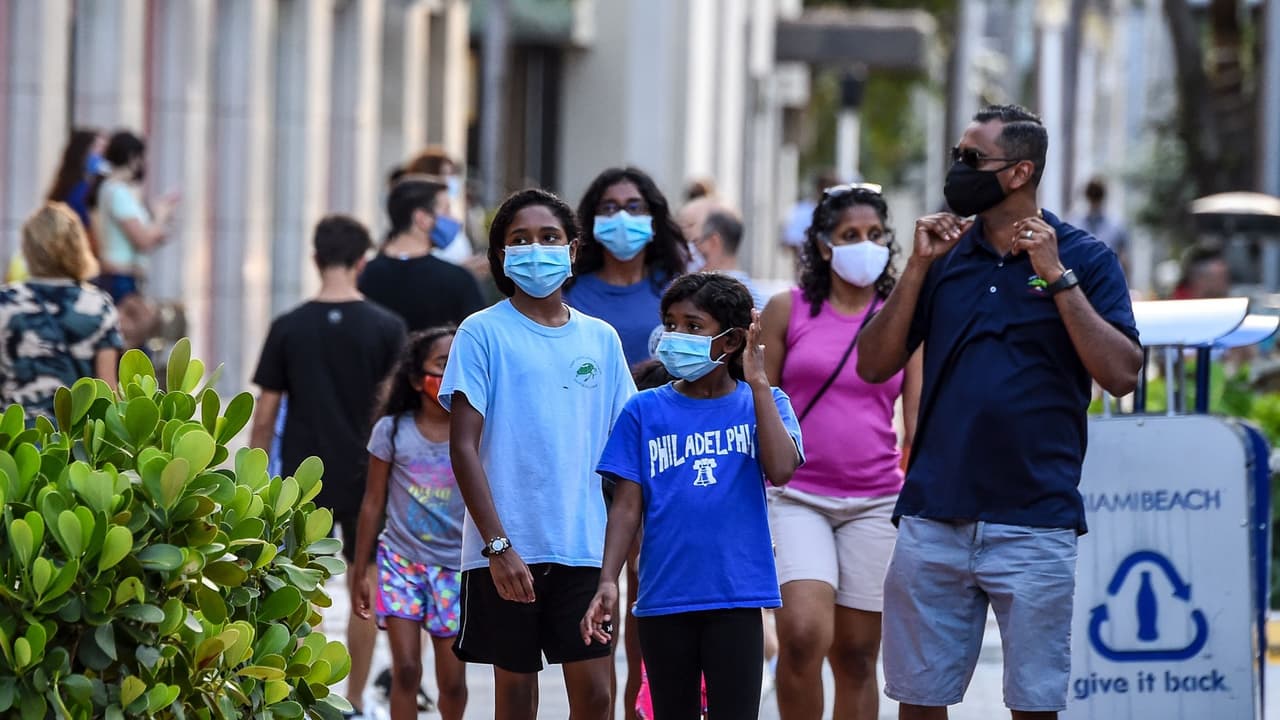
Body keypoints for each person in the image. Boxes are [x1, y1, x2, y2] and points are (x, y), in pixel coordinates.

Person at [856, 105, 1142, 720]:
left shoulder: (1086, 259)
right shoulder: (945, 258)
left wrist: (1057, 278)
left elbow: (1121, 375)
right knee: (919, 701)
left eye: (971, 159)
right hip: (935, 511)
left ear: (1019, 173)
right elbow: (874, 365)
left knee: (1033, 706)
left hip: (1036, 517)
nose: (957, 171)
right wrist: (918, 266)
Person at [440, 188, 635, 720]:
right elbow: (463, 446)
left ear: (572, 249)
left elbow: (627, 453)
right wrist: (498, 547)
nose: (535, 249)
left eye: (548, 237)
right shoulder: (481, 332)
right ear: (501, 256)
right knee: (517, 697)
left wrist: (619, 561)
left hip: (583, 548)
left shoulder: (601, 339)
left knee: (596, 696)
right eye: (519, 240)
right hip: (506, 550)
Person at [581, 272, 803, 720]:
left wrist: (758, 383)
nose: (676, 335)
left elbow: (780, 469)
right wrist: (607, 579)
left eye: (693, 325)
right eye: (671, 323)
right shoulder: (643, 410)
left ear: (731, 340)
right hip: (664, 598)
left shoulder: (767, 402)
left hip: (738, 597)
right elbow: (626, 506)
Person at [760, 183, 922, 720]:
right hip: (798, 495)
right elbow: (763, 399)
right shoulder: (789, 310)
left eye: (875, 234)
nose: (865, 244)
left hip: (877, 501)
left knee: (856, 655)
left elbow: (916, 421)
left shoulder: (903, 317)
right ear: (825, 246)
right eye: (851, 235)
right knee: (804, 635)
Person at [249, 215, 407, 719]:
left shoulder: (288, 325)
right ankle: (356, 699)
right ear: (363, 260)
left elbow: (265, 413)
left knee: (305, 583)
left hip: (303, 474)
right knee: (366, 581)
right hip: (370, 475)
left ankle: (314, 695)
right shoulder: (387, 327)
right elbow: (395, 409)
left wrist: (252, 477)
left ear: (315, 258)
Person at [352, 327, 468, 720]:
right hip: (400, 562)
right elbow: (372, 502)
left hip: (455, 566)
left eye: (458, 363)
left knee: (452, 681)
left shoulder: (474, 431)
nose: (451, 373)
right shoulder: (392, 431)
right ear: (418, 379)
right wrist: (360, 571)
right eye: (441, 364)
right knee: (406, 670)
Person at [0, 203, 122, 421]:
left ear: (29, 249)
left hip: (14, 440)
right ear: (77, 247)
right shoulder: (98, 305)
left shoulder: (6, 303)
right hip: (74, 444)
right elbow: (107, 393)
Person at [566, 167, 688, 366]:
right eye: (609, 208)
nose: (622, 217)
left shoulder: (677, 290)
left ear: (653, 221)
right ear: (593, 220)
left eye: (634, 207)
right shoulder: (568, 292)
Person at [359, 177, 486, 332]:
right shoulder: (458, 280)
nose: (453, 219)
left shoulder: (363, 275)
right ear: (422, 218)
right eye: (446, 210)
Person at [89, 130, 178, 350]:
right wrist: (160, 216)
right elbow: (142, 239)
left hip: (122, 276)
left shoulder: (109, 189)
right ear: (132, 158)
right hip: (121, 278)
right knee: (130, 345)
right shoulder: (117, 191)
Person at [678, 198, 768, 308]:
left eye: (692, 241)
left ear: (713, 242)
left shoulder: (713, 299)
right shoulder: (754, 299)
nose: (685, 250)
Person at [47, 128, 107, 234]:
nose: (101, 154)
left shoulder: (93, 186)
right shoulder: (78, 190)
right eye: (97, 147)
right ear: (82, 150)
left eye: (104, 149)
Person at [1069, 178, 1129, 273]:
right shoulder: (1116, 226)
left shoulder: (1074, 224)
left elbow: (1124, 260)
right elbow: (1125, 261)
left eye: (1096, 195)